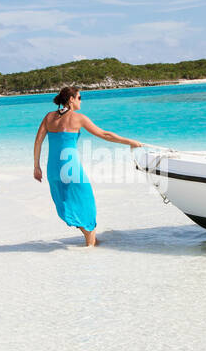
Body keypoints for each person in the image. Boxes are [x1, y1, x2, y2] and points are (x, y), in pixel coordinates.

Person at [33, 85, 142, 246]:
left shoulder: (49, 117)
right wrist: (130, 142)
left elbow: (38, 141)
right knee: (86, 205)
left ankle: (92, 241)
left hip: (53, 170)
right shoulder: (78, 118)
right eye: (79, 97)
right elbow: (105, 134)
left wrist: (36, 166)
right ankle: (90, 249)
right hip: (70, 169)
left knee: (69, 204)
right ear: (71, 99)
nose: (81, 101)